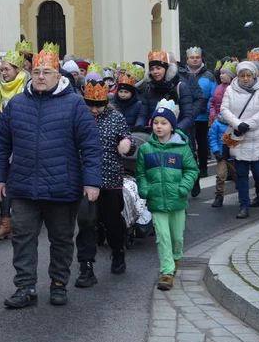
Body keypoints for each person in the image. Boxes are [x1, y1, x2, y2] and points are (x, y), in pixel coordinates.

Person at [0, 43, 101, 309]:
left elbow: (90, 145)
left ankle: (59, 284)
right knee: (22, 238)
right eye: (37, 71)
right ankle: (25, 287)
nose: (40, 76)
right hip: (24, 185)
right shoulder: (16, 104)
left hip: (63, 186)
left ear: (58, 75)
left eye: (47, 72)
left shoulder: (74, 104)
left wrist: (92, 181)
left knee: (61, 239)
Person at [74, 67, 135, 285]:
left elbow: (129, 140)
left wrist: (126, 145)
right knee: (86, 222)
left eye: (98, 105)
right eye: (90, 104)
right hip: (85, 179)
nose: (94, 110)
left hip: (110, 179)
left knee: (112, 222)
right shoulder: (79, 116)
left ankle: (118, 251)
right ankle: (86, 266)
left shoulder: (116, 117)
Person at [135, 99, 199, 292]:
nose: (159, 127)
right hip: (156, 200)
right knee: (162, 236)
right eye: (156, 123)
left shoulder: (181, 148)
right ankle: (166, 271)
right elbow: (141, 172)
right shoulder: (146, 149)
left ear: (172, 126)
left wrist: (183, 188)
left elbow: (191, 170)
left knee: (177, 238)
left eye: (163, 123)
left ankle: (176, 257)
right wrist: (144, 190)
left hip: (177, 201)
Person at [219, 60, 259, 219]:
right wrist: (237, 124)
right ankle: (244, 205)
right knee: (241, 174)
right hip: (238, 137)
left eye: (248, 75)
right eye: (242, 75)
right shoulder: (230, 90)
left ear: (254, 75)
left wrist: (247, 124)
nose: (245, 78)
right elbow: (224, 109)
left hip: (257, 137)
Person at [0, 49, 29, 241]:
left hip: (25, 140)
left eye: (6, 69)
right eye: (2, 70)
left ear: (17, 69)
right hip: (6, 138)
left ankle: (25, 221)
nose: (3, 73)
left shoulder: (27, 85)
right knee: (5, 178)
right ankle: (6, 222)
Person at [136, 50, 196, 138]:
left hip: (176, 137)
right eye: (152, 69)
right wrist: (139, 128)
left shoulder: (180, 87)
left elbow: (188, 116)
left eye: (158, 68)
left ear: (167, 69)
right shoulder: (149, 89)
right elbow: (143, 115)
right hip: (154, 137)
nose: (155, 72)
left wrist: (176, 131)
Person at [185, 47, 217, 179]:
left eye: (197, 57)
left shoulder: (209, 75)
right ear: (187, 59)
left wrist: (207, 108)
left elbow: (213, 95)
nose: (195, 60)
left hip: (202, 116)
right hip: (187, 115)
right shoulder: (183, 74)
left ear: (201, 59)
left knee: (202, 142)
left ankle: (203, 167)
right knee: (188, 142)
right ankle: (191, 168)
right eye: (192, 58)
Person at [208, 114, 236, 207]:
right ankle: (219, 195)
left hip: (234, 154)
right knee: (221, 175)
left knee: (238, 175)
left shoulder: (235, 122)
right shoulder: (217, 123)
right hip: (222, 154)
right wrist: (216, 151)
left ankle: (242, 193)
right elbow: (212, 138)